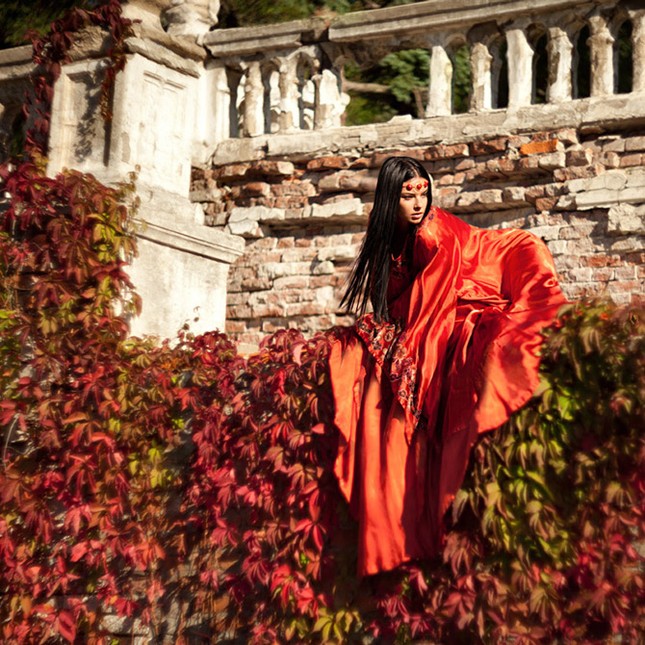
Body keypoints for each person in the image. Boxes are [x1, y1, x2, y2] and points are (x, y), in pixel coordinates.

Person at [328, 156, 567, 576]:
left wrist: (412, 358)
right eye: (407, 196)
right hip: (445, 295)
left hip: (493, 268)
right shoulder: (387, 239)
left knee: (473, 337)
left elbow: (433, 308)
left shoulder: (431, 233)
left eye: (422, 192)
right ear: (389, 199)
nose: (418, 204)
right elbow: (401, 304)